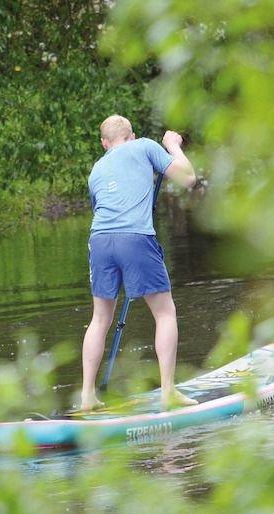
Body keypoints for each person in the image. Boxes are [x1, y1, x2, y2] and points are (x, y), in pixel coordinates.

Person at [81, 115, 201, 411]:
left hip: (99, 241)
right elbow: (188, 178)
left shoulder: (96, 169)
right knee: (164, 313)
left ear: (104, 143)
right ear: (131, 135)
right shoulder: (145, 146)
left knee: (99, 319)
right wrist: (173, 146)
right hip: (134, 237)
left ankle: (86, 396)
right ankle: (168, 391)